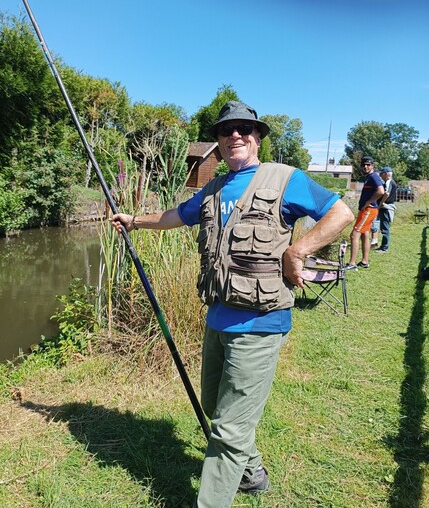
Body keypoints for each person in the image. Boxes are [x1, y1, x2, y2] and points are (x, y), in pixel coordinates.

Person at [111, 100, 354, 508]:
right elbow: (176, 216)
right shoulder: (214, 189)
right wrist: (134, 221)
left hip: (260, 324)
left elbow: (341, 212)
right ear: (219, 143)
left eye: (244, 128)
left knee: (226, 428)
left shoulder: (285, 180)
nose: (234, 135)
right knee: (214, 405)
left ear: (257, 138)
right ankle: (252, 471)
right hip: (218, 319)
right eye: (226, 131)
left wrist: (299, 250)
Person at [345, 156, 384, 270]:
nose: (365, 167)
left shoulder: (373, 177)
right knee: (365, 234)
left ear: (373, 165)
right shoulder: (368, 177)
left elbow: (381, 191)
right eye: (363, 165)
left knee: (354, 234)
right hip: (367, 210)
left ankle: (352, 264)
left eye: (368, 164)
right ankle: (364, 261)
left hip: (368, 210)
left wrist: (368, 202)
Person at [374, 166, 397, 253]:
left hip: (386, 208)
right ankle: (383, 246)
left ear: (386, 174)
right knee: (384, 227)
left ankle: (384, 248)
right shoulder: (390, 182)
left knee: (385, 228)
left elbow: (386, 194)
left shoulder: (389, 182)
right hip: (386, 207)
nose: (380, 176)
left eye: (382, 174)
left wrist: (381, 203)